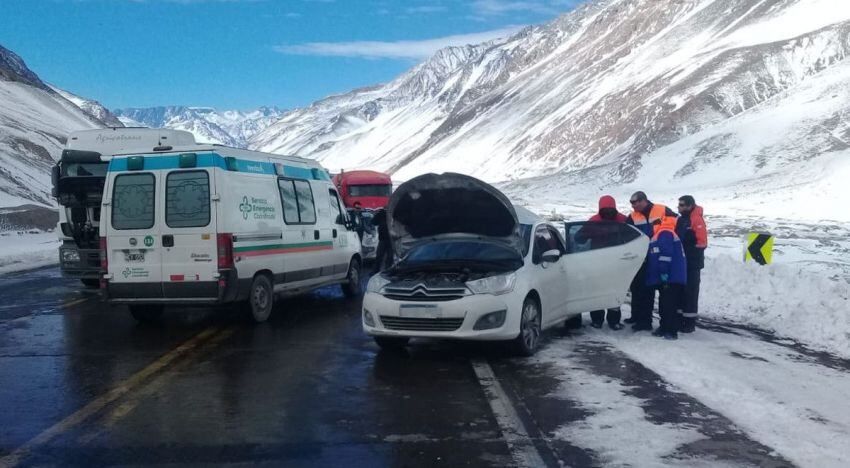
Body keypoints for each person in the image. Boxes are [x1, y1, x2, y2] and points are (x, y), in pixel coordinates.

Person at [626, 191, 678, 331]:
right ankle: (642, 321)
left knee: (664, 293)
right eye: (631, 203)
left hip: (661, 256)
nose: (633, 205)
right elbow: (626, 233)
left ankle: (667, 325)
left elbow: (673, 229)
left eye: (635, 202)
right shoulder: (632, 216)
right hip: (642, 257)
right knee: (642, 291)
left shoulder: (662, 210)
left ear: (644, 200)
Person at [576, 195, 628, 330]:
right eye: (606, 210)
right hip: (609, 262)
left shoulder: (597, 221)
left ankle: (601, 320)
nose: (608, 212)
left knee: (606, 291)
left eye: (610, 210)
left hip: (605, 262)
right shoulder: (622, 220)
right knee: (607, 291)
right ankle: (609, 321)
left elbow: (578, 238)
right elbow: (579, 237)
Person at [646, 217, 687, 340]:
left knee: (669, 305)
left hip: (670, 277)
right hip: (670, 277)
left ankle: (671, 330)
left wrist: (664, 274)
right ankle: (664, 327)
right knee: (665, 304)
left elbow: (665, 255)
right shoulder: (663, 233)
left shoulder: (664, 233)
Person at [676, 195, 707, 333]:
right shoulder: (682, 219)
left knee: (691, 292)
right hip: (682, 261)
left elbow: (702, 243)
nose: (680, 207)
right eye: (679, 205)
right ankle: (680, 318)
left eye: (682, 205)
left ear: (690, 205)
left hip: (692, 263)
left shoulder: (696, 219)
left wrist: (688, 247)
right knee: (681, 291)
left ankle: (689, 322)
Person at [371, 208, 392, 274]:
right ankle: (381, 270)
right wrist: (379, 214)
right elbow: (373, 222)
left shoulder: (392, 214)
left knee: (388, 257)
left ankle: (387, 271)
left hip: (389, 239)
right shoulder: (382, 214)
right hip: (385, 239)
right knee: (381, 256)